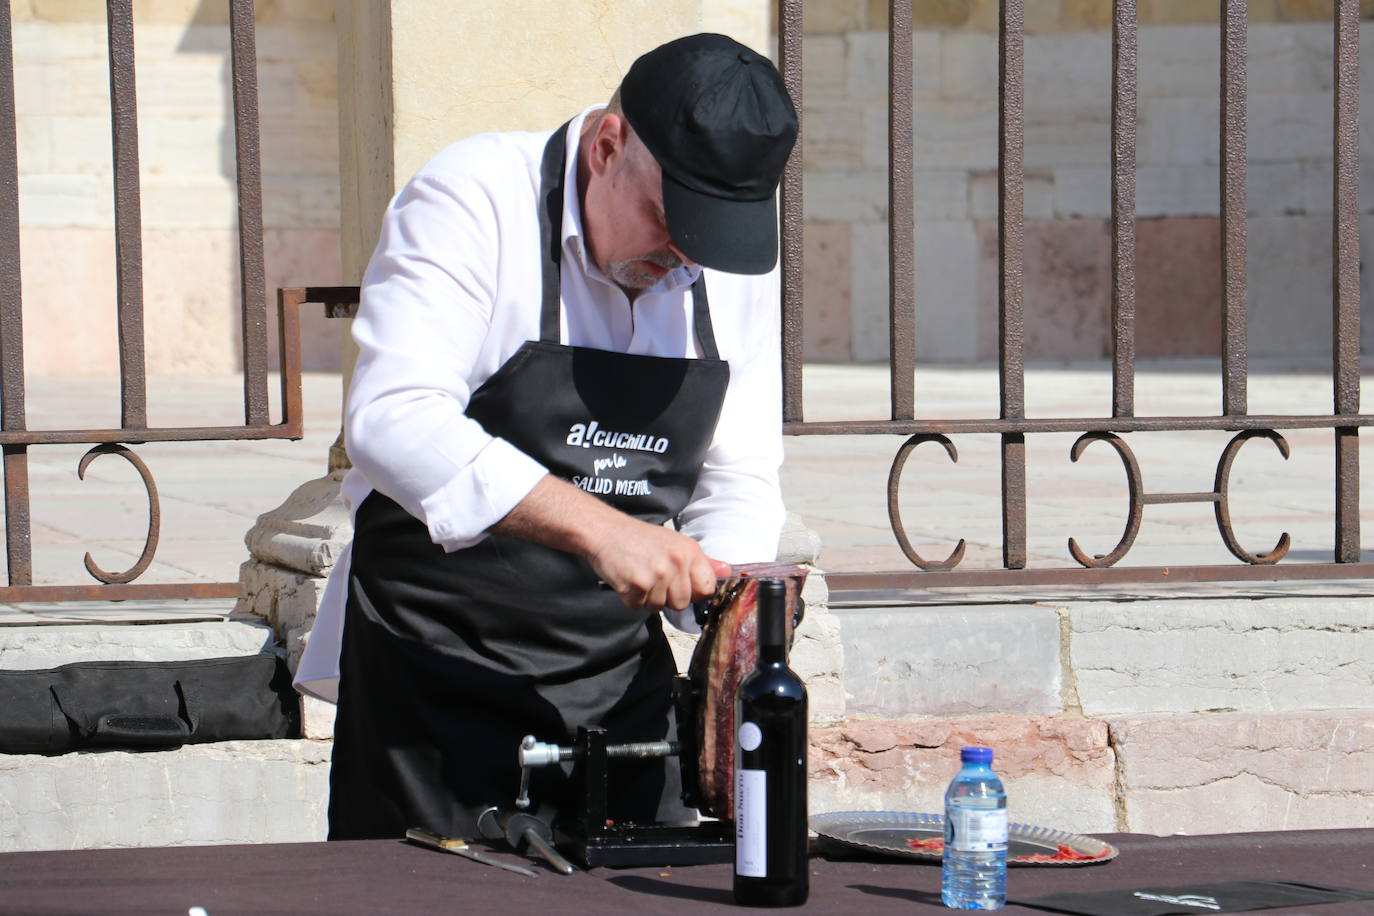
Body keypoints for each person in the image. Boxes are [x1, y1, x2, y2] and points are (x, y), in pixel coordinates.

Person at [294, 32, 799, 841]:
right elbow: (392, 420)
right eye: (673, 223)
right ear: (607, 146)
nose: (683, 262)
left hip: (616, 685)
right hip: (437, 676)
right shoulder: (473, 197)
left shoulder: (717, 262)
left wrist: (727, 600)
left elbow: (737, 475)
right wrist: (603, 532)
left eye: (709, 239)